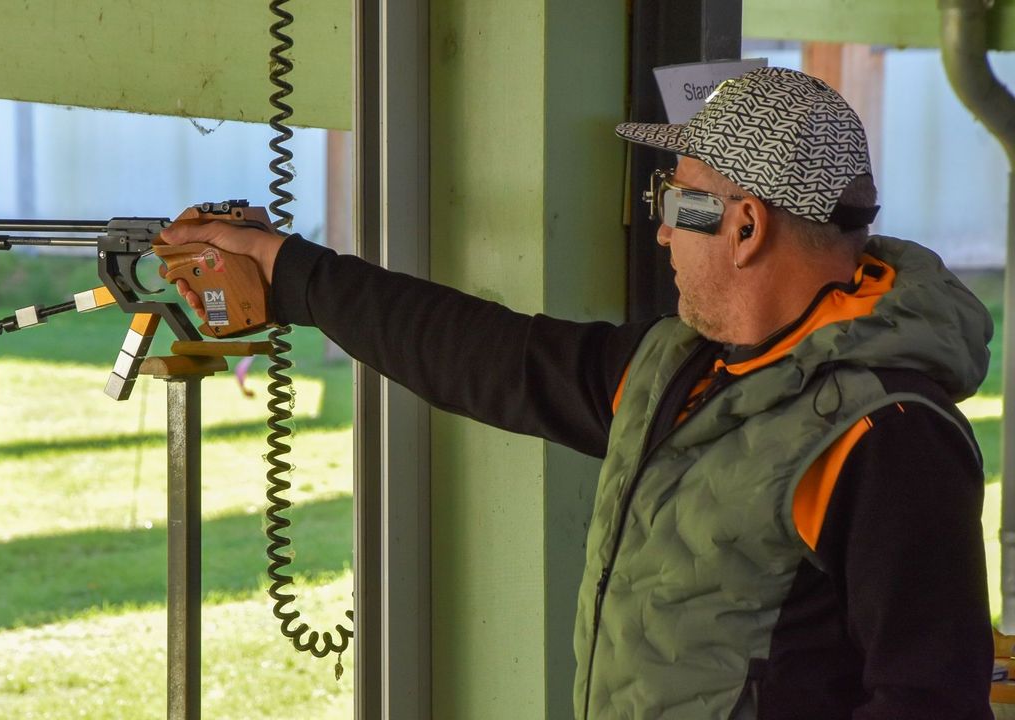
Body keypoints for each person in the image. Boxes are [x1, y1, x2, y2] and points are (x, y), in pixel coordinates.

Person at [159, 67, 996, 719]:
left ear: (745, 227)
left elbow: (928, 704)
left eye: (679, 202)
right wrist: (288, 273)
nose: (663, 227)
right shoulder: (687, 366)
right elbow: (490, 356)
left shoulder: (886, 436)